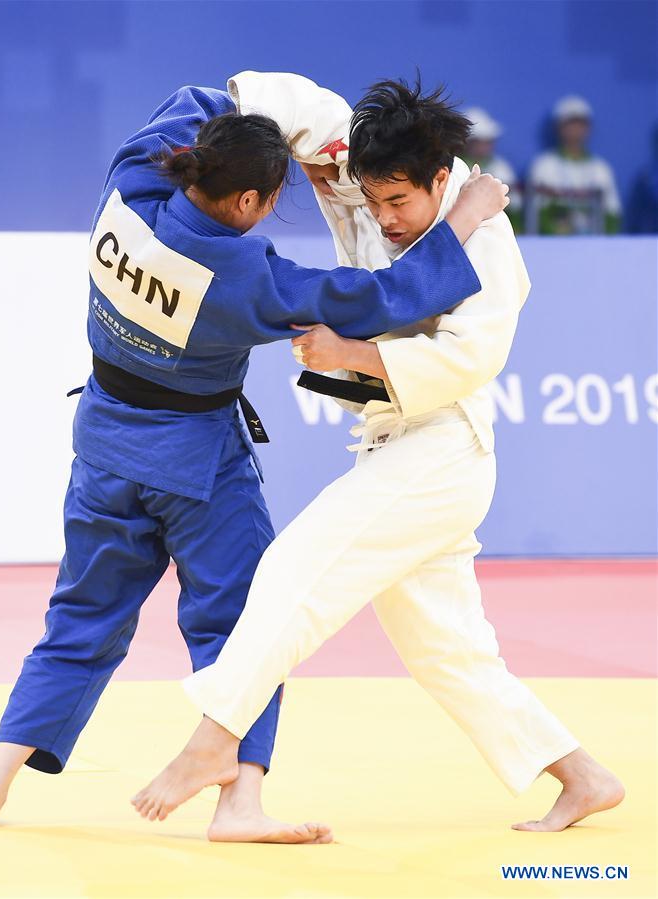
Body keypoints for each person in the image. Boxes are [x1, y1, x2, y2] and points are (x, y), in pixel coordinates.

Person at [0, 83, 504, 844]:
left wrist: (297, 125)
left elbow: (202, 95)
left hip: (103, 445)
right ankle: (239, 800)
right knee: (246, 622)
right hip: (196, 465)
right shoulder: (246, 278)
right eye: (274, 199)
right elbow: (391, 297)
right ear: (246, 201)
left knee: (77, 619)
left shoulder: (131, 182)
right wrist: (467, 215)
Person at [132, 72, 625, 834]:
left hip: (444, 449)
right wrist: (231, 125)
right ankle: (581, 773)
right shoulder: (357, 160)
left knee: (299, 566)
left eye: (400, 203)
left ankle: (213, 740)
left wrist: (350, 352)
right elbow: (285, 100)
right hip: (394, 443)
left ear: (440, 180)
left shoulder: (486, 241)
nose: (385, 219)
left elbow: (469, 359)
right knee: (446, 652)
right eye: (374, 200)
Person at [527, 95, 621, 234]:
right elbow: (536, 211)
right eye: (570, 124)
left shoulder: (601, 168)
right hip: (551, 245)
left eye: (581, 124)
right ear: (558, 127)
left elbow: (612, 214)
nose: (575, 129)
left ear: (588, 128)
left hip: (594, 246)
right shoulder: (543, 165)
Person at [463, 106, 523, 232]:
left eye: (488, 141)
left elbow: (515, 205)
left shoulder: (502, 167)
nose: (484, 146)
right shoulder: (456, 165)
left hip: (496, 229)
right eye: (479, 141)